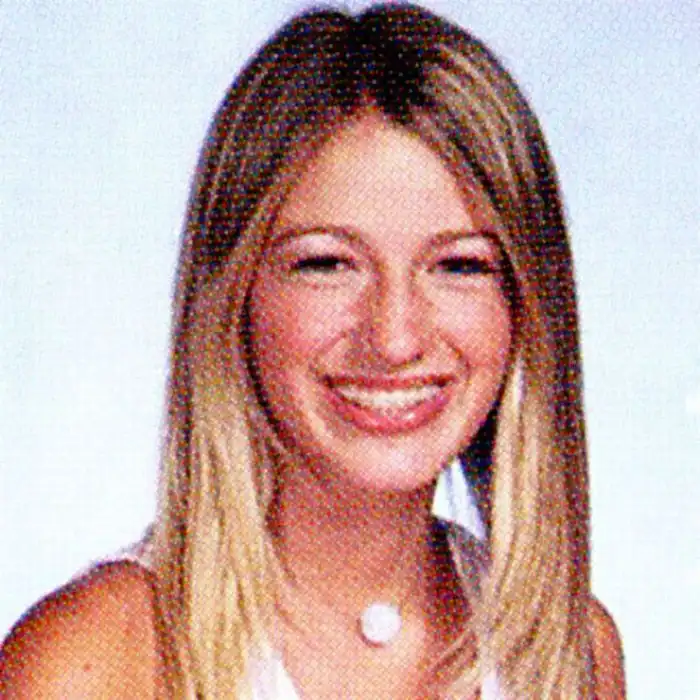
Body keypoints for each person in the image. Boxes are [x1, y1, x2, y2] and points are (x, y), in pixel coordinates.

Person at [0, 3, 625, 698]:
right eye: (327, 263)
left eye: (459, 265)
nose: (395, 338)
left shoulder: (571, 651)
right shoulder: (94, 662)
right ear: (233, 296)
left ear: (526, 306)